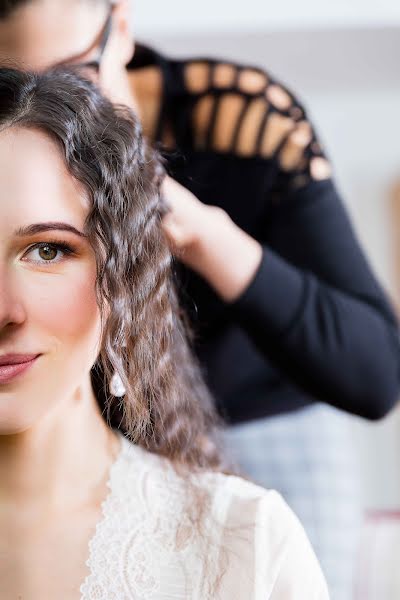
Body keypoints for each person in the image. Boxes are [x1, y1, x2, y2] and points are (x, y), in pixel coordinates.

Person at [0, 1, 399, 597]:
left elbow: (373, 373)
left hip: (262, 416)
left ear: (121, 31)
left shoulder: (237, 120)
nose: (51, 115)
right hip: (87, 409)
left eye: (72, 80)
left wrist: (196, 230)